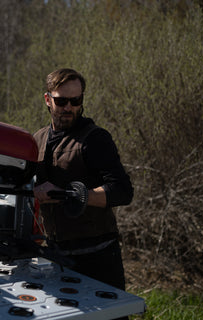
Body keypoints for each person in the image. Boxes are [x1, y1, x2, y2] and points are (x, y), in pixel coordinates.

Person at [33, 68, 134, 293]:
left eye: (75, 100)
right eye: (61, 101)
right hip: (54, 255)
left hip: (97, 257)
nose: (69, 107)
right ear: (48, 100)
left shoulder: (96, 139)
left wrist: (67, 194)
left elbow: (122, 190)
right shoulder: (37, 139)